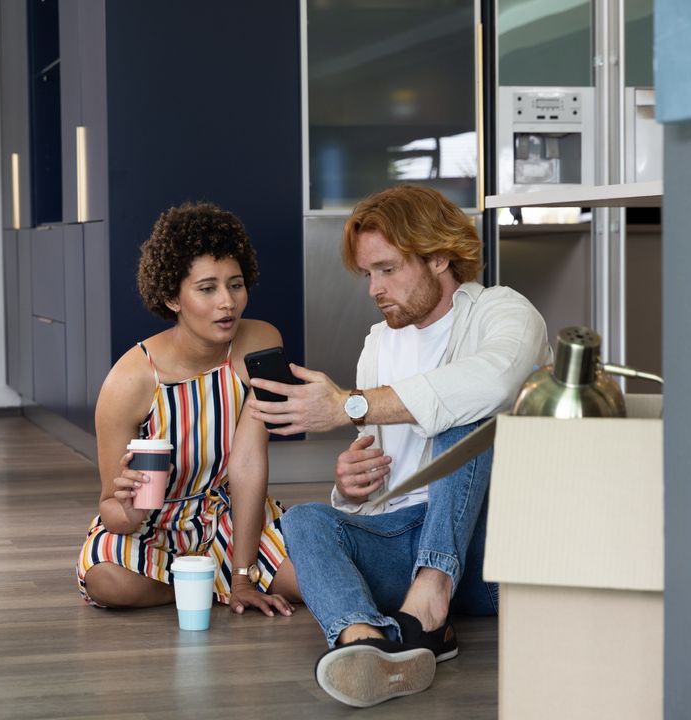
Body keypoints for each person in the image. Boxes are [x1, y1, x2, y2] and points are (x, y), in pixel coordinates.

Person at [246, 185, 552, 707]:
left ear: (438, 256)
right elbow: (378, 487)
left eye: (387, 270)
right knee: (304, 521)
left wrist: (349, 405)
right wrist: (351, 486)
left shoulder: (504, 313)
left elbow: (493, 384)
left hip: (489, 554)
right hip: (405, 538)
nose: (374, 289)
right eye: (368, 274)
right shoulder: (378, 345)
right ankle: (367, 643)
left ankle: (429, 609)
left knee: (466, 417)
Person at [77, 201, 302, 617]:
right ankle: (203, 582)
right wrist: (130, 511)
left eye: (235, 285)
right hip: (153, 528)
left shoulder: (259, 342)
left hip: (234, 518)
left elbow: (249, 464)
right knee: (107, 580)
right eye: (207, 288)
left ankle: (211, 579)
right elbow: (111, 506)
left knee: (310, 577)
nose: (227, 303)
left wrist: (243, 573)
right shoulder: (129, 381)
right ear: (172, 297)